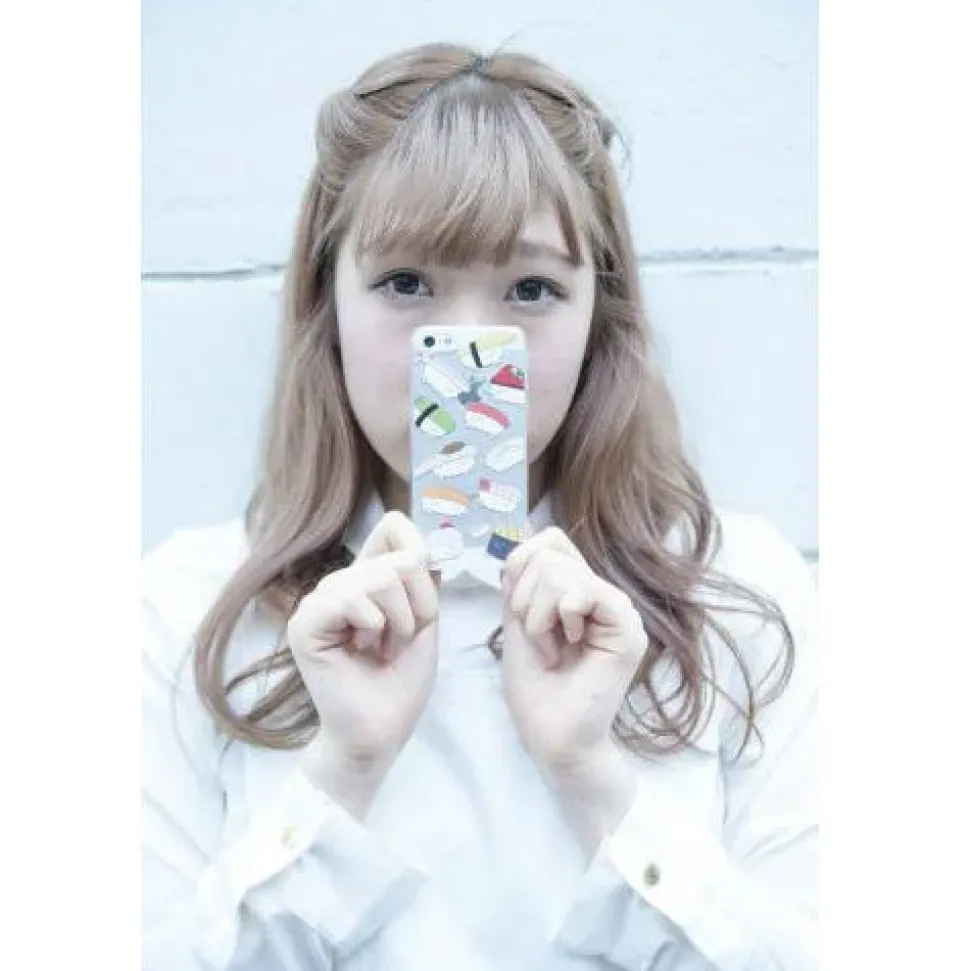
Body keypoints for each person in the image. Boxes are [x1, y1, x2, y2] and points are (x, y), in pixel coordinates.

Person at [142, 42, 818, 971]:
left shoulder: (739, 593)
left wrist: (593, 780)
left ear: (599, 317)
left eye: (531, 289)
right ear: (325, 305)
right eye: (405, 283)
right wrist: (340, 774)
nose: (466, 348)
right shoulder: (189, 607)